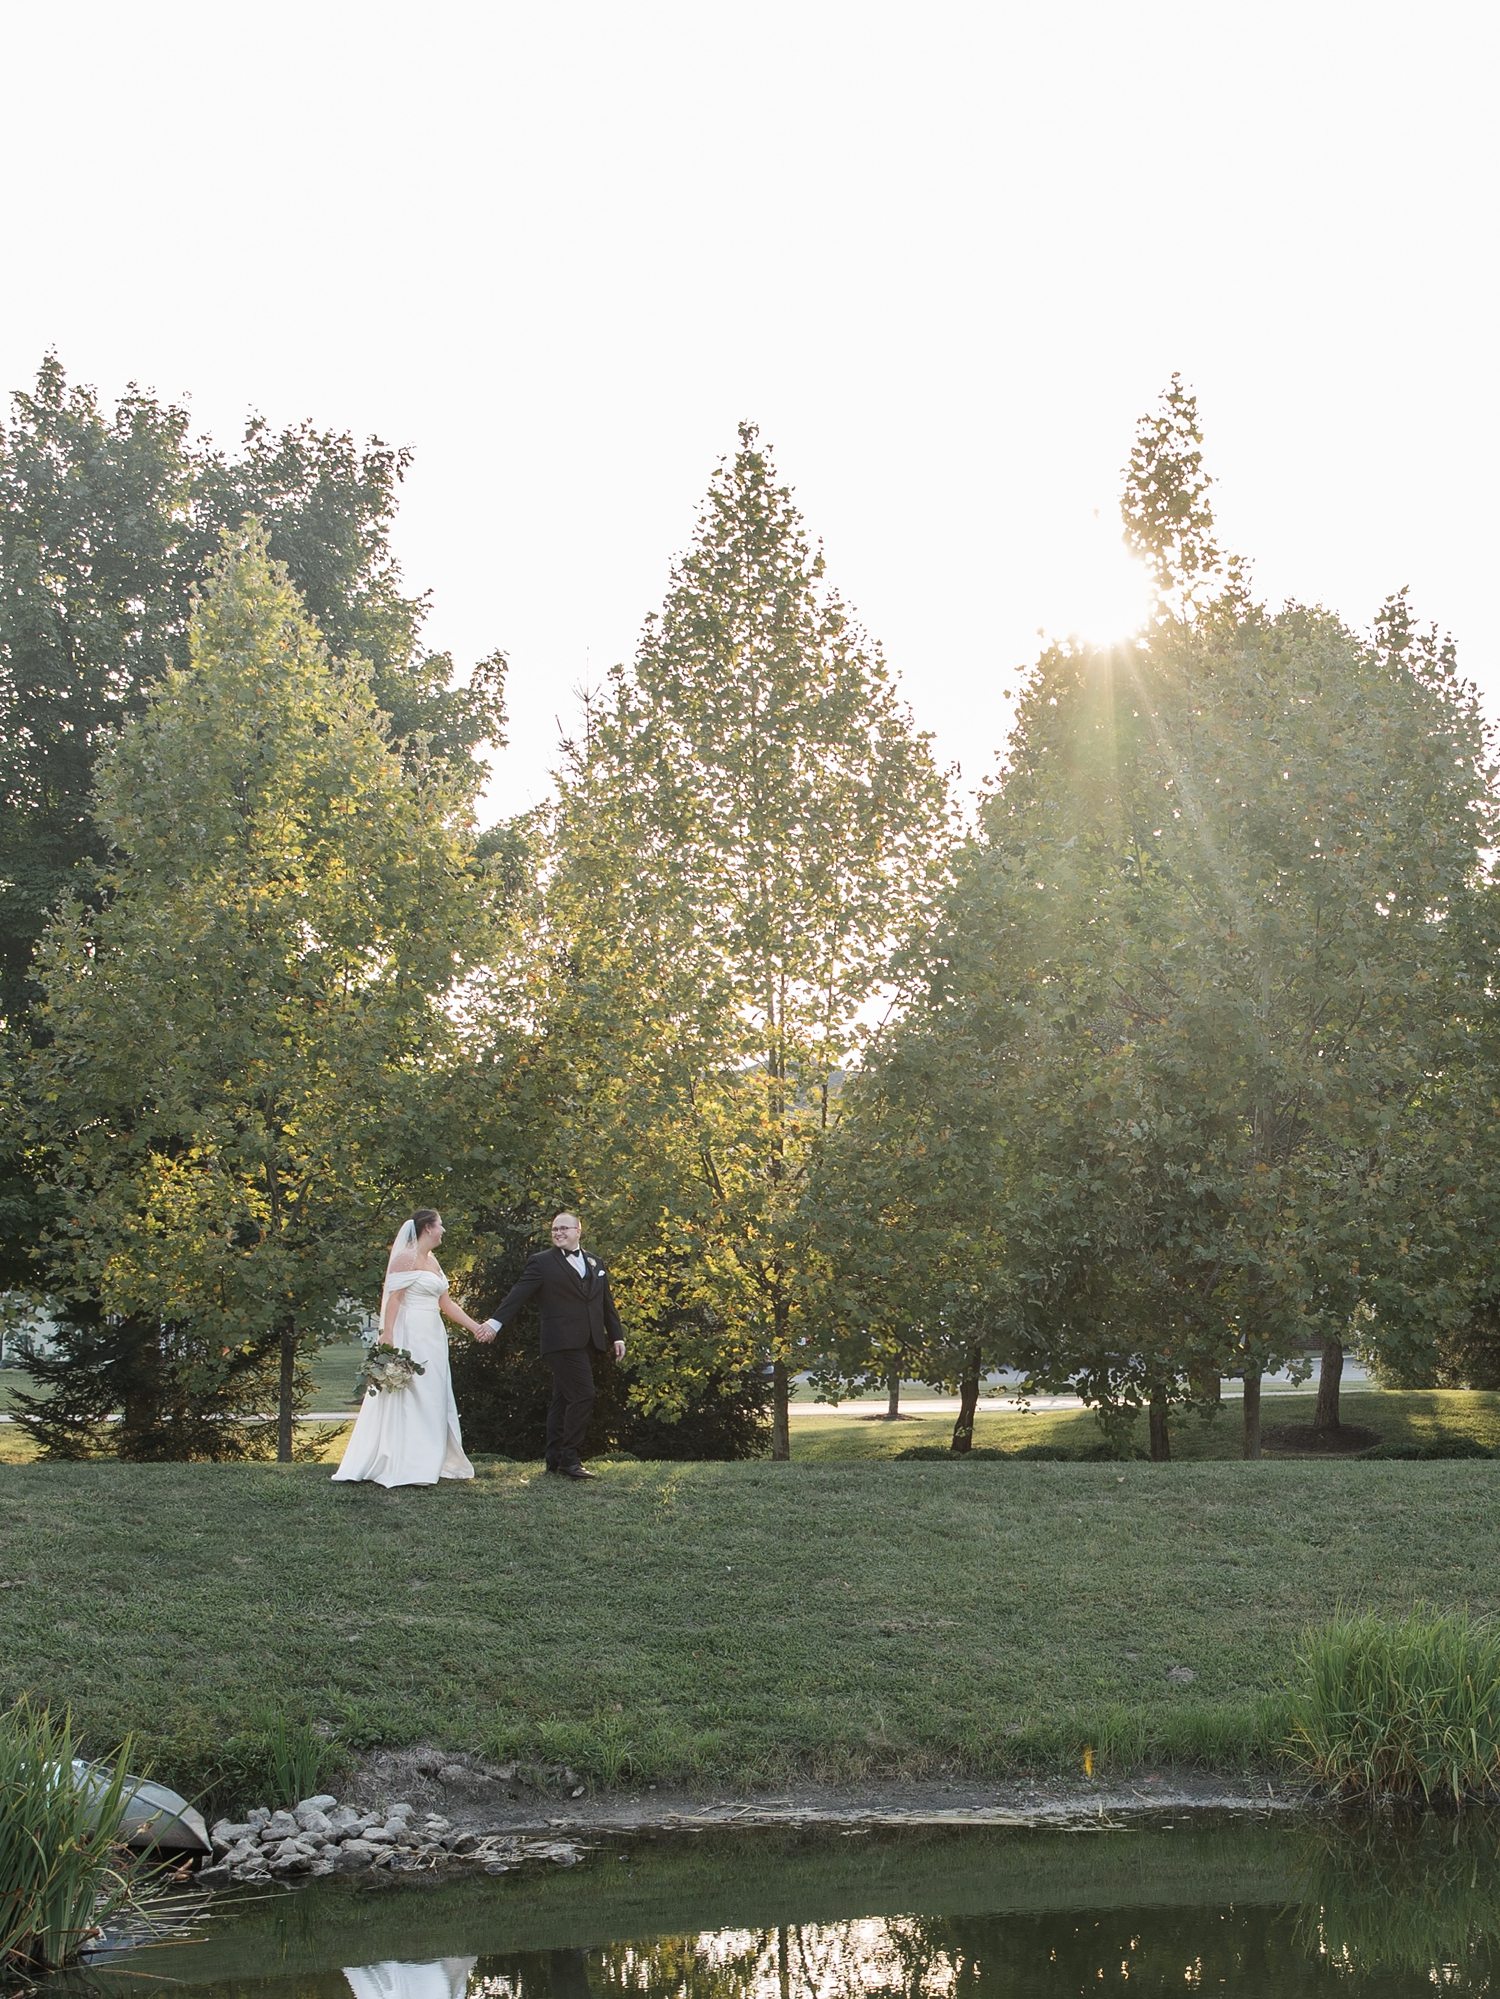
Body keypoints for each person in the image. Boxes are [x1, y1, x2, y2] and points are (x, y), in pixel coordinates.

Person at [332, 1210, 496, 1489]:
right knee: (411, 1393)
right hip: (410, 1332)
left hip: (433, 1333)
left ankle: (429, 1458)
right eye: (440, 1225)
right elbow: (393, 1299)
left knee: (433, 1393)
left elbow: (446, 1303)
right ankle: (405, 1461)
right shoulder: (405, 1258)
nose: (443, 1230)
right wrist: (388, 1333)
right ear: (428, 1228)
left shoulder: (433, 1261)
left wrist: (475, 1326)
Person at [484, 1212, 625, 1480]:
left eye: (563, 1228)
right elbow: (518, 1295)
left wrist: (616, 1336)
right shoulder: (541, 1263)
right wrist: (494, 1324)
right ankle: (570, 1460)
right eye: (554, 1230)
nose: (558, 1233)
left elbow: (606, 1303)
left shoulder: (596, 1262)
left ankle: (555, 1460)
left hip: (589, 1341)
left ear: (578, 1231)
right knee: (584, 1394)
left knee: (562, 1400)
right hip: (559, 1341)